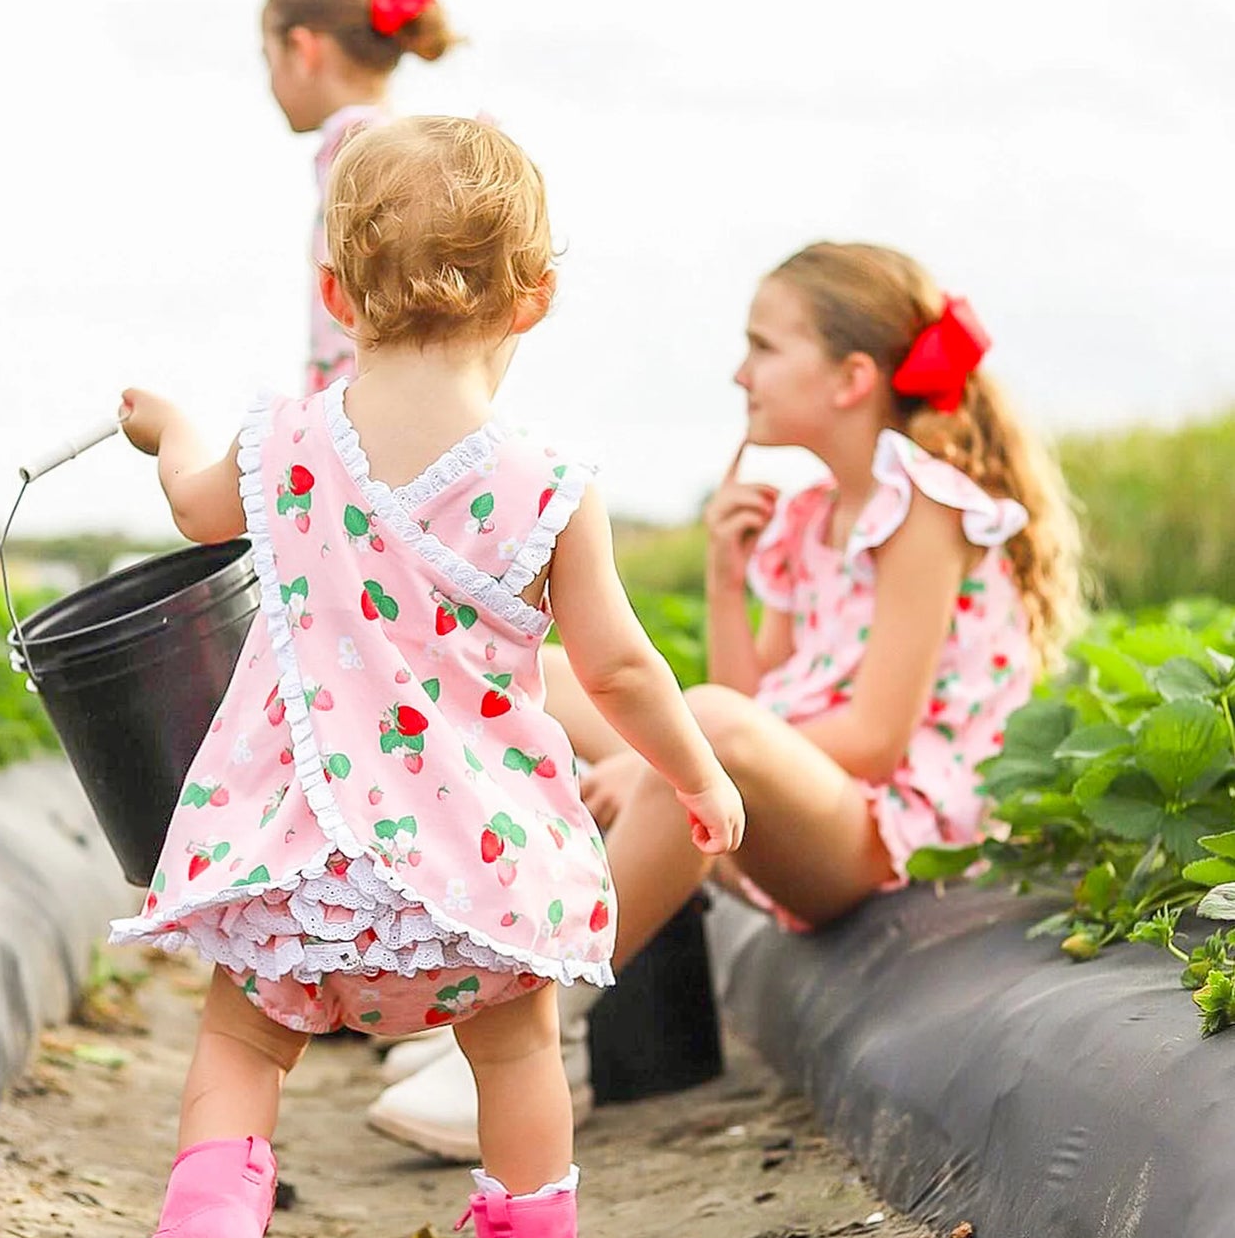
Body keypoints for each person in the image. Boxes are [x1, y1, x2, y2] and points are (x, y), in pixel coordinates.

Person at [86, 115, 745, 1238]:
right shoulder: (548, 479)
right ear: (536, 297)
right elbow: (613, 663)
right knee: (513, 1044)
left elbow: (189, 503)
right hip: (471, 863)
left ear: (334, 291)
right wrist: (695, 771)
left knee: (243, 1034)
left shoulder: (279, 441)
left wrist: (168, 423)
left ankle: (206, 1225)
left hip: (301, 842)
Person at [369, 238, 1083, 1156]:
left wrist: (659, 755)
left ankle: (535, 1016)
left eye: (765, 347)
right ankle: (523, 1002)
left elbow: (871, 737)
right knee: (542, 676)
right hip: (794, 814)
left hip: (888, 835)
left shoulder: (928, 510)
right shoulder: (807, 516)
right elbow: (755, 702)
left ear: (850, 377)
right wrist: (720, 576)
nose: (739, 371)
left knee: (694, 725)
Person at [262, 0, 454, 395]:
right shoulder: (395, 148)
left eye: (268, 56)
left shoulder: (362, 157)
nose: (269, 79)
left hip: (362, 423)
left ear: (303, 50)